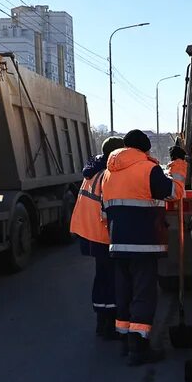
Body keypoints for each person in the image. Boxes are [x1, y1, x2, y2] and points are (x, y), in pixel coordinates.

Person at [101, 129, 187, 366]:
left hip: (118, 244)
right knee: (143, 294)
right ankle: (139, 347)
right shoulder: (148, 169)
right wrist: (179, 164)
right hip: (144, 244)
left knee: (124, 292)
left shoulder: (109, 173)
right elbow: (174, 193)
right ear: (145, 149)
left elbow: (104, 210)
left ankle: (126, 341)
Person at [70, 135, 125, 340]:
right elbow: (108, 210)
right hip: (102, 234)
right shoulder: (107, 175)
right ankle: (109, 324)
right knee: (110, 278)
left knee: (102, 276)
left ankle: (102, 321)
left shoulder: (93, 170)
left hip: (88, 231)